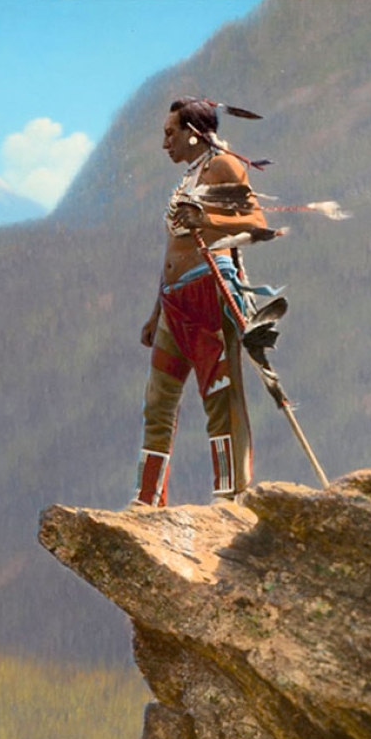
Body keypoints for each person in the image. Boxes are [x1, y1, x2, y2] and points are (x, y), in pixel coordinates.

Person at [133, 96, 271, 507]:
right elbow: (173, 248)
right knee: (158, 402)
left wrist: (207, 220)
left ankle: (229, 498)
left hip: (210, 294)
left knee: (219, 401)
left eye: (170, 134)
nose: (165, 144)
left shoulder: (224, 165)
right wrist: (155, 311)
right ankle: (147, 500)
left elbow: (256, 224)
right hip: (174, 304)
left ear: (194, 134)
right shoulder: (190, 175)